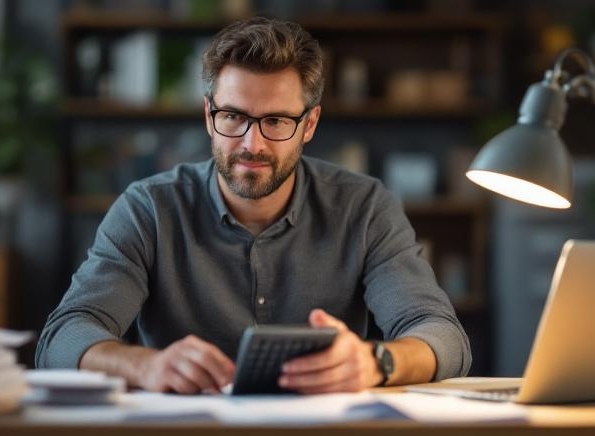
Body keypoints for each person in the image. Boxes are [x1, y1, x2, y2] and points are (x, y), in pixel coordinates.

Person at [37, 16, 471, 394]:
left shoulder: (365, 207)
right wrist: (146, 365)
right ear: (209, 116)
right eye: (234, 117)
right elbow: (62, 337)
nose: (252, 144)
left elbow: (443, 336)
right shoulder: (148, 209)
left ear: (310, 124)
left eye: (277, 121)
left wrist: (376, 362)